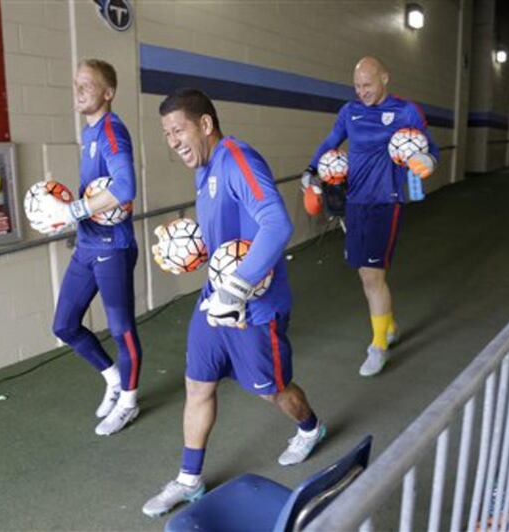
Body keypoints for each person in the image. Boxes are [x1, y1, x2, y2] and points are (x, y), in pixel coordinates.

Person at [143, 88, 326, 517]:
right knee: (197, 384)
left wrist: (237, 288)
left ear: (205, 124)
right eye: (166, 134)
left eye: (177, 129)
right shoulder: (204, 171)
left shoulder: (238, 158)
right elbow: (227, 239)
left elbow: (276, 225)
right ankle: (190, 478)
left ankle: (310, 427)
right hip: (215, 301)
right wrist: (187, 245)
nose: (172, 140)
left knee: (273, 391)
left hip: (255, 309)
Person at [301, 56, 439, 377]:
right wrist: (311, 170)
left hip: (385, 202)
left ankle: (378, 345)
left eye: (368, 84)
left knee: (372, 275)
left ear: (385, 78)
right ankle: (388, 325)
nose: (362, 91)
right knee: (366, 274)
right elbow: (331, 142)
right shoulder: (350, 112)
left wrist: (427, 160)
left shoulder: (407, 111)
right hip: (354, 201)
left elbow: (431, 148)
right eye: (357, 85)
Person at [38, 59, 142, 436]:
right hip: (86, 245)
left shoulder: (113, 131)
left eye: (88, 85)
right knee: (64, 325)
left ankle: (129, 402)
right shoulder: (90, 132)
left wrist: (74, 209)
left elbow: (126, 188)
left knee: (121, 330)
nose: (79, 91)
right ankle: (114, 379)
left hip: (113, 248)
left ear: (108, 93)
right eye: (76, 84)